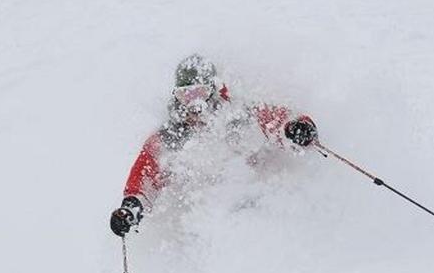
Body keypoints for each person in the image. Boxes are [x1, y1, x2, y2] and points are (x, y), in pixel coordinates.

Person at [110, 54, 319, 236]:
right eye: (185, 95)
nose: (194, 105)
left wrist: (296, 128)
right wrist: (131, 208)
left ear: (213, 91)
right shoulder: (169, 139)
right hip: (207, 222)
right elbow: (144, 177)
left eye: (199, 94)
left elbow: (277, 120)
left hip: (255, 212)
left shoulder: (239, 116)